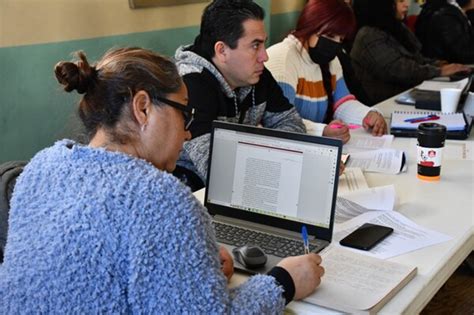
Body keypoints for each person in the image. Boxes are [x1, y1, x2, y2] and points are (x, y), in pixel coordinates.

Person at [0, 48, 324, 313]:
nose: (186, 131)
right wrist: (283, 282)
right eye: (183, 111)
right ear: (142, 108)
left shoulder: (41, 167)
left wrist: (191, 272)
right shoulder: (161, 199)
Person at [174, 0, 306, 187]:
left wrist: (279, 159)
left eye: (263, 45)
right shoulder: (190, 85)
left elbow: (290, 122)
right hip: (191, 189)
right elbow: (216, 168)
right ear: (222, 51)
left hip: (243, 184)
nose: (265, 56)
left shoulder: (254, 73)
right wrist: (283, 160)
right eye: (255, 45)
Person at [266, 0, 387, 145]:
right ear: (310, 26)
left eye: (340, 39)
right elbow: (280, 121)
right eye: (330, 35)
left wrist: (368, 115)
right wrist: (321, 131)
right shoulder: (283, 59)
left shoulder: (331, 60)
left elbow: (342, 102)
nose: (335, 43)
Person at [350, 0, 470, 105]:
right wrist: (440, 71)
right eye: (400, 1)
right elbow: (400, 70)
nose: (407, 5)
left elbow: (416, 59)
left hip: (406, 97)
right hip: (383, 105)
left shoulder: (396, 28)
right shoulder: (368, 35)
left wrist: (439, 64)